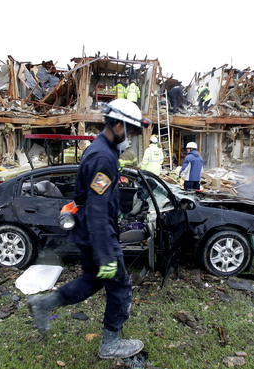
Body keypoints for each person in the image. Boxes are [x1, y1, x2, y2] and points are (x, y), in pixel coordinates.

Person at [27, 98, 150, 359]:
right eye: (133, 131)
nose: (133, 138)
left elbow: (96, 198)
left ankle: (43, 303)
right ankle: (110, 344)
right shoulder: (103, 157)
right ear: (118, 126)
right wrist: (106, 254)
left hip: (90, 233)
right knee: (120, 286)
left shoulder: (101, 150)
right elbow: (96, 208)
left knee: (92, 281)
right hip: (98, 236)